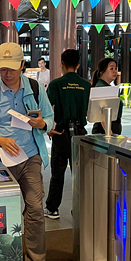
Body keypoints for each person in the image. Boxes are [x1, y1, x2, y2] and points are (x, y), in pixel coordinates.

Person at [0, 42, 55, 261]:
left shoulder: (35, 88)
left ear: (22, 65)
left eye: (11, 68)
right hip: (0, 159)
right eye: (2, 69)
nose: (6, 73)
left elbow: (49, 118)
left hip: (30, 156)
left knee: (36, 210)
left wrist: (42, 124)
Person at [44, 49, 91, 220]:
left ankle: (52, 209)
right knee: (79, 173)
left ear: (62, 64)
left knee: (58, 172)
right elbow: (89, 111)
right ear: (78, 65)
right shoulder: (86, 85)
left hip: (61, 132)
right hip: (81, 134)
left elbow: (47, 108)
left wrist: (48, 128)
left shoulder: (56, 84)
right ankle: (79, 210)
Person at [91, 57, 123, 135]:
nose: (115, 71)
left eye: (116, 68)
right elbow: (102, 113)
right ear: (102, 71)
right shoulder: (102, 88)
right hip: (105, 129)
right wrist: (109, 133)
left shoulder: (108, 87)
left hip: (111, 127)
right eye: (111, 68)